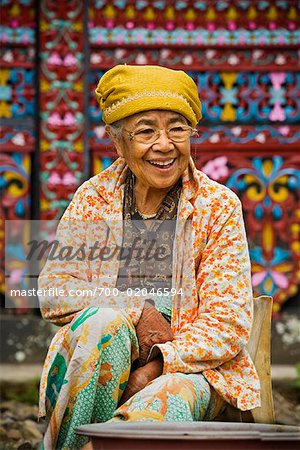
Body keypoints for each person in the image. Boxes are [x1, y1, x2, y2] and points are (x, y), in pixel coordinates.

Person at [38, 65, 260, 449]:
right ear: (117, 141)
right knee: (102, 322)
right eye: (145, 131)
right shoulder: (95, 199)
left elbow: (229, 324)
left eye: (177, 128)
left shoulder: (217, 206)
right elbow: (54, 290)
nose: (164, 145)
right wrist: (136, 308)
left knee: (163, 400)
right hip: (100, 364)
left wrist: (159, 363)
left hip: (192, 369)